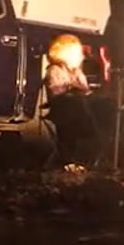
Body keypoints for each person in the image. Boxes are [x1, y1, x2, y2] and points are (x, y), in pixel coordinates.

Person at [42, 33, 99, 164]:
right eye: (78, 53)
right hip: (63, 110)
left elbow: (85, 89)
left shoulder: (77, 72)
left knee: (108, 105)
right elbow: (57, 92)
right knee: (79, 105)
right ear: (66, 53)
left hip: (79, 109)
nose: (82, 57)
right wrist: (74, 88)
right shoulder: (55, 70)